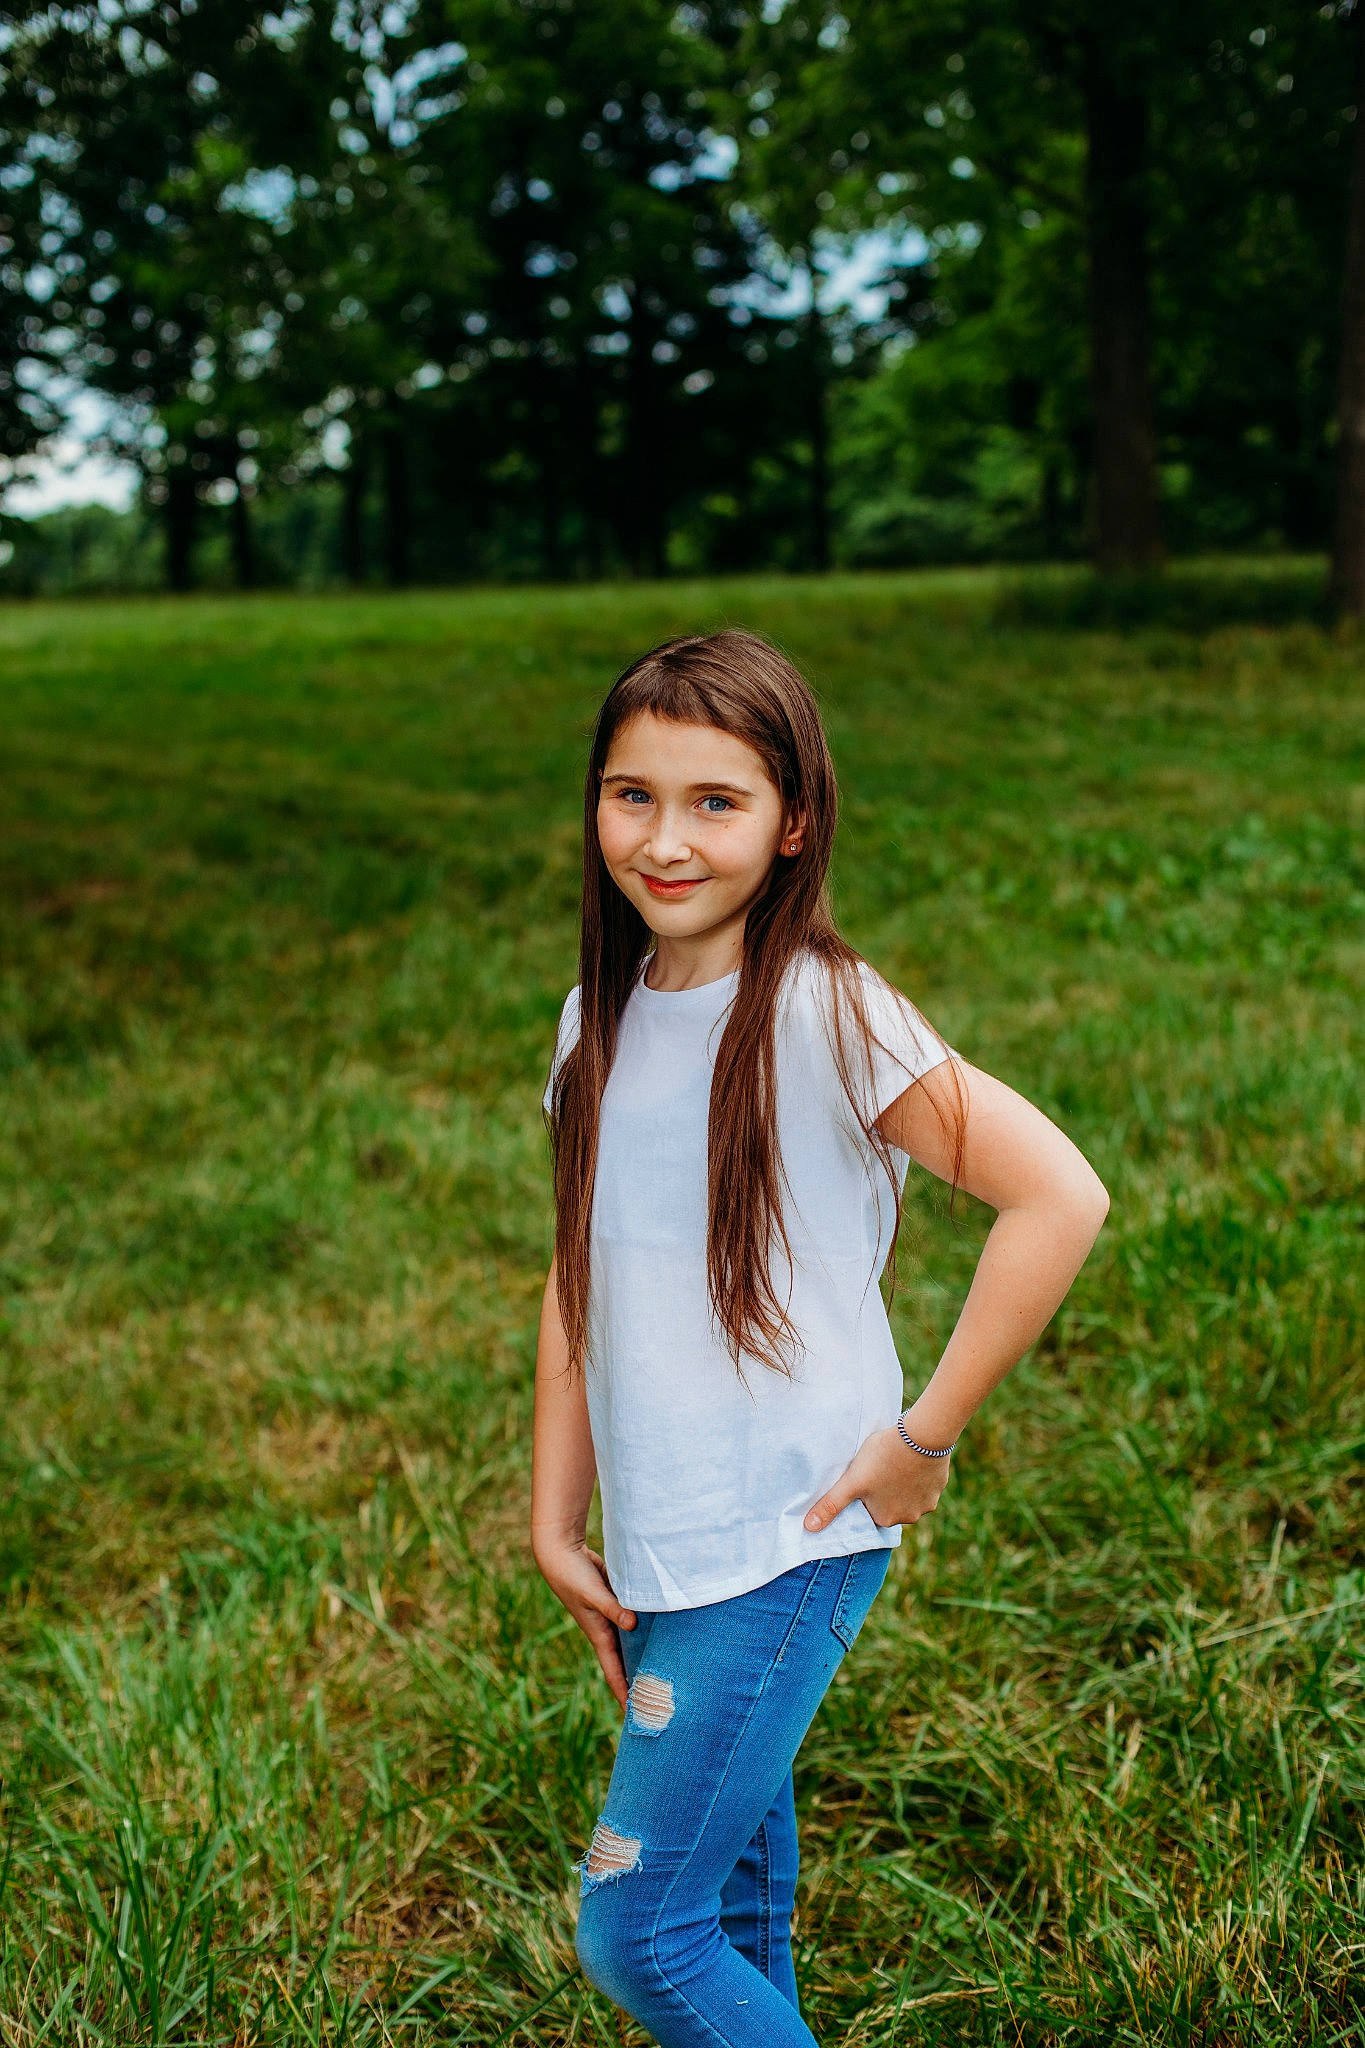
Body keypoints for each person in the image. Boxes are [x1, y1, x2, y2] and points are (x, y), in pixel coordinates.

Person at [532, 629, 1109, 2047]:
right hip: (669, 1533)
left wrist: (922, 1439)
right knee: (729, 1914)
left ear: (793, 823)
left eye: (714, 802)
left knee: (638, 1929)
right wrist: (556, 1515)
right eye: (631, 794)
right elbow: (576, 1280)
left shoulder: (826, 1010)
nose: (663, 840)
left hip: (786, 1535)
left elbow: (1057, 1195)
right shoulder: (592, 1022)